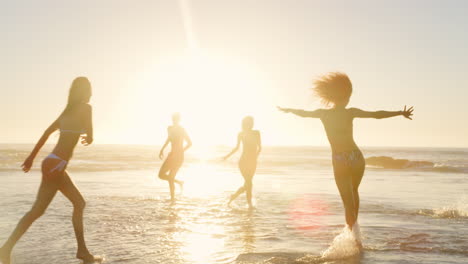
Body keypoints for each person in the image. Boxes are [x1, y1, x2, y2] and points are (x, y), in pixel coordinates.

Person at [278, 72, 413, 236]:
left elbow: (303, 113)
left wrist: (289, 110)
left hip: (340, 159)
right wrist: (399, 112)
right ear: (346, 96)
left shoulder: (323, 113)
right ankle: (356, 238)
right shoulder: (350, 112)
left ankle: (352, 239)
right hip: (356, 157)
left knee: (347, 202)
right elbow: (376, 115)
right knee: (354, 194)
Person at [0, 77, 100, 264]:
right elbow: (90, 133)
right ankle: (5, 249)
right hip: (56, 165)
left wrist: (31, 158)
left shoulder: (67, 111)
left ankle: (82, 251)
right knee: (53, 208)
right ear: (85, 91)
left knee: (65, 206)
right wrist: (89, 137)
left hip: (52, 162)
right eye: (89, 89)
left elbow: (46, 133)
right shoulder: (87, 108)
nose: (92, 93)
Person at [223, 116, 262, 209]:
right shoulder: (241, 134)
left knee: (247, 184)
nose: (251, 124)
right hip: (243, 161)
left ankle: (234, 196)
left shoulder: (256, 133)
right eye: (249, 122)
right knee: (249, 183)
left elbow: (260, 147)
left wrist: (255, 157)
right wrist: (227, 156)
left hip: (253, 162)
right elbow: (237, 147)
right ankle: (250, 205)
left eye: (252, 122)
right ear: (245, 124)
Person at [158, 113, 192, 203]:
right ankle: (179, 182)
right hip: (171, 155)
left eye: (176, 119)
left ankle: (172, 200)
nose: (174, 121)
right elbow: (169, 139)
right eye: (173, 119)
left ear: (179, 120)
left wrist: (181, 151)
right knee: (161, 175)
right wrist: (162, 149)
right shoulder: (169, 128)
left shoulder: (182, 130)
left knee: (171, 178)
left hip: (179, 157)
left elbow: (190, 143)